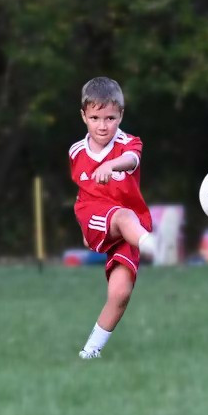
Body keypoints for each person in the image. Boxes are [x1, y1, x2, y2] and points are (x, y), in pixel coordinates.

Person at [68, 77, 157, 359]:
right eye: (95, 118)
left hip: (132, 227)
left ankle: (89, 353)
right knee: (121, 216)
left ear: (121, 115)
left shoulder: (129, 143)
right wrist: (84, 227)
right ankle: (156, 246)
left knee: (120, 294)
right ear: (84, 116)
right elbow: (82, 191)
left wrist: (111, 164)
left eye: (110, 118)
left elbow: (132, 161)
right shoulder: (76, 152)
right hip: (98, 215)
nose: (103, 125)